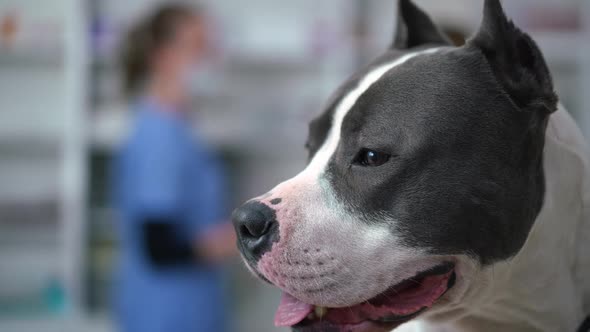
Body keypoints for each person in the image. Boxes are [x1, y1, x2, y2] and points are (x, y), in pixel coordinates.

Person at [112, 4, 236, 332]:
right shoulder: (159, 135)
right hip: (165, 314)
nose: (211, 58)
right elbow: (159, 246)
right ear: (163, 56)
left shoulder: (182, 129)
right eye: (200, 47)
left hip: (194, 308)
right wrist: (241, 237)